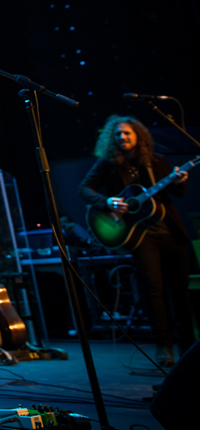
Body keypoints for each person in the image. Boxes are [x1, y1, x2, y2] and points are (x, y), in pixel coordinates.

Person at [79, 115, 196, 366]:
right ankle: (164, 347)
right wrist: (107, 201)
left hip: (169, 230)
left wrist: (180, 181)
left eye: (127, 133)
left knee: (180, 291)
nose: (122, 137)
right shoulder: (108, 163)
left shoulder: (156, 161)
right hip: (140, 235)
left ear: (138, 136)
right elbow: (84, 189)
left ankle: (189, 347)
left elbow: (176, 192)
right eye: (118, 134)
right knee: (152, 289)